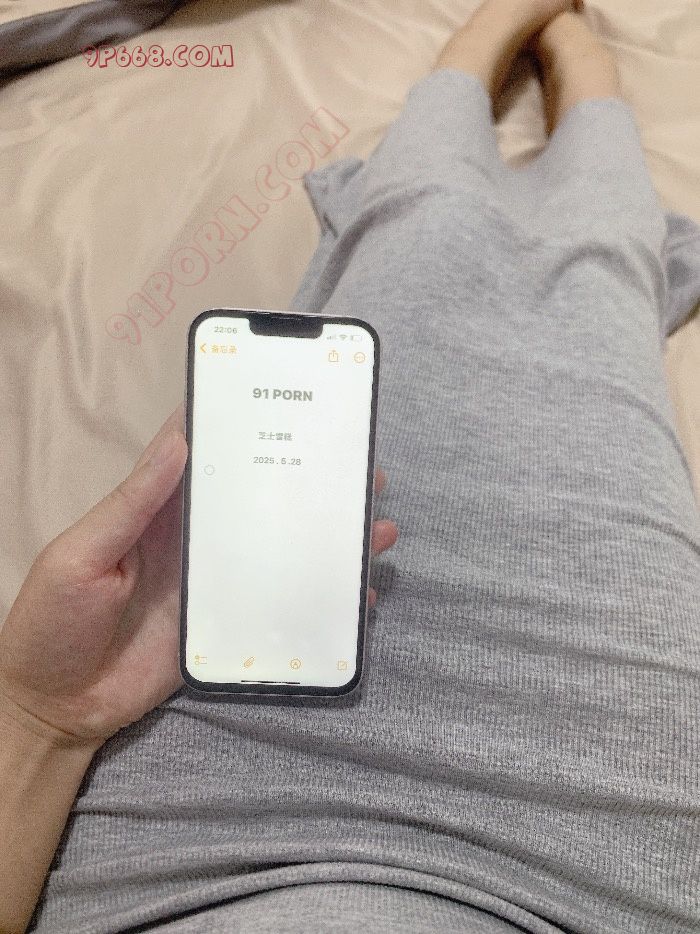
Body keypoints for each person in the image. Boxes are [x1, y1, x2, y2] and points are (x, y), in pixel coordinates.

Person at [2, 0, 699, 931]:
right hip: (598, 809)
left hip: (185, 812)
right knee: (601, 260)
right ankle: (560, 50)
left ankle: (497, 39)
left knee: (416, 227)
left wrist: (37, 714)